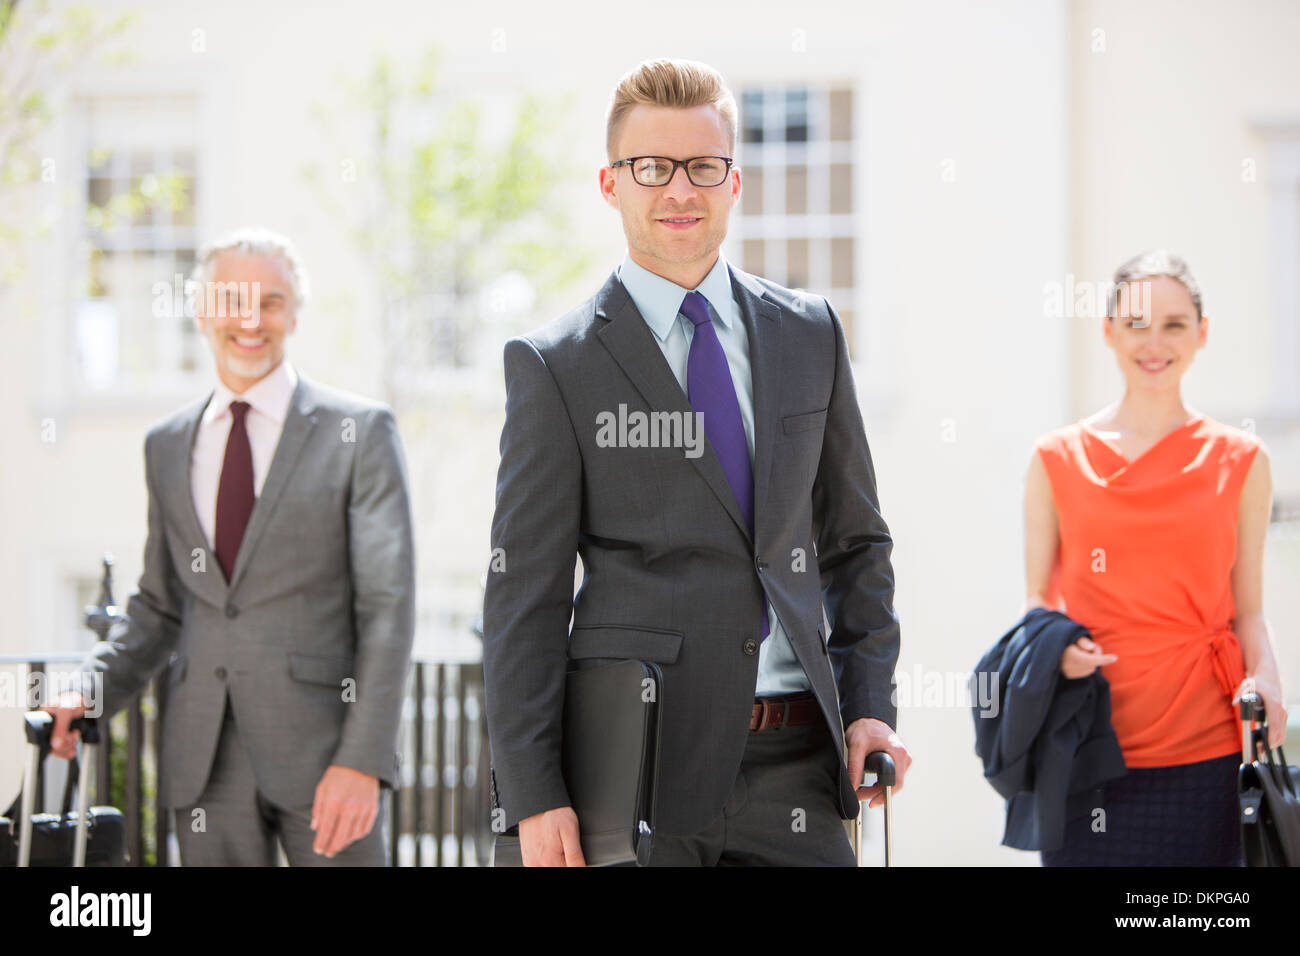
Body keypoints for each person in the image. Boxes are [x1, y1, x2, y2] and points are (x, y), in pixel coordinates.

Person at [482, 58, 910, 867]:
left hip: (798, 770)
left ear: (733, 181)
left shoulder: (808, 331)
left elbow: (856, 542)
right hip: (635, 773)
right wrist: (533, 794)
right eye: (651, 168)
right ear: (612, 185)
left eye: (702, 167)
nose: (679, 190)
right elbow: (523, 597)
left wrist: (870, 707)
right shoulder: (555, 365)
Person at [43, 228, 416, 865]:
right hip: (203, 763)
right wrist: (91, 687)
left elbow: (388, 607)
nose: (251, 319)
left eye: (271, 301)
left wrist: (364, 759)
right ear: (201, 310)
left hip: (327, 759)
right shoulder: (167, 444)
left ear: (295, 314)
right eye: (232, 298)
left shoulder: (359, 431)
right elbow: (159, 605)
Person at [1023, 249, 1287, 866]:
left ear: (1201, 334)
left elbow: (1249, 609)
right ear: (1109, 330)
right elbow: (1037, 601)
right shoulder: (1055, 459)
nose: (1154, 343)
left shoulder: (1242, 460)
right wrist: (1056, 645)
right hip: (1086, 747)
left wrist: (1270, 677)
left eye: (1173, 324)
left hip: (1206, 751)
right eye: (1137, 324)